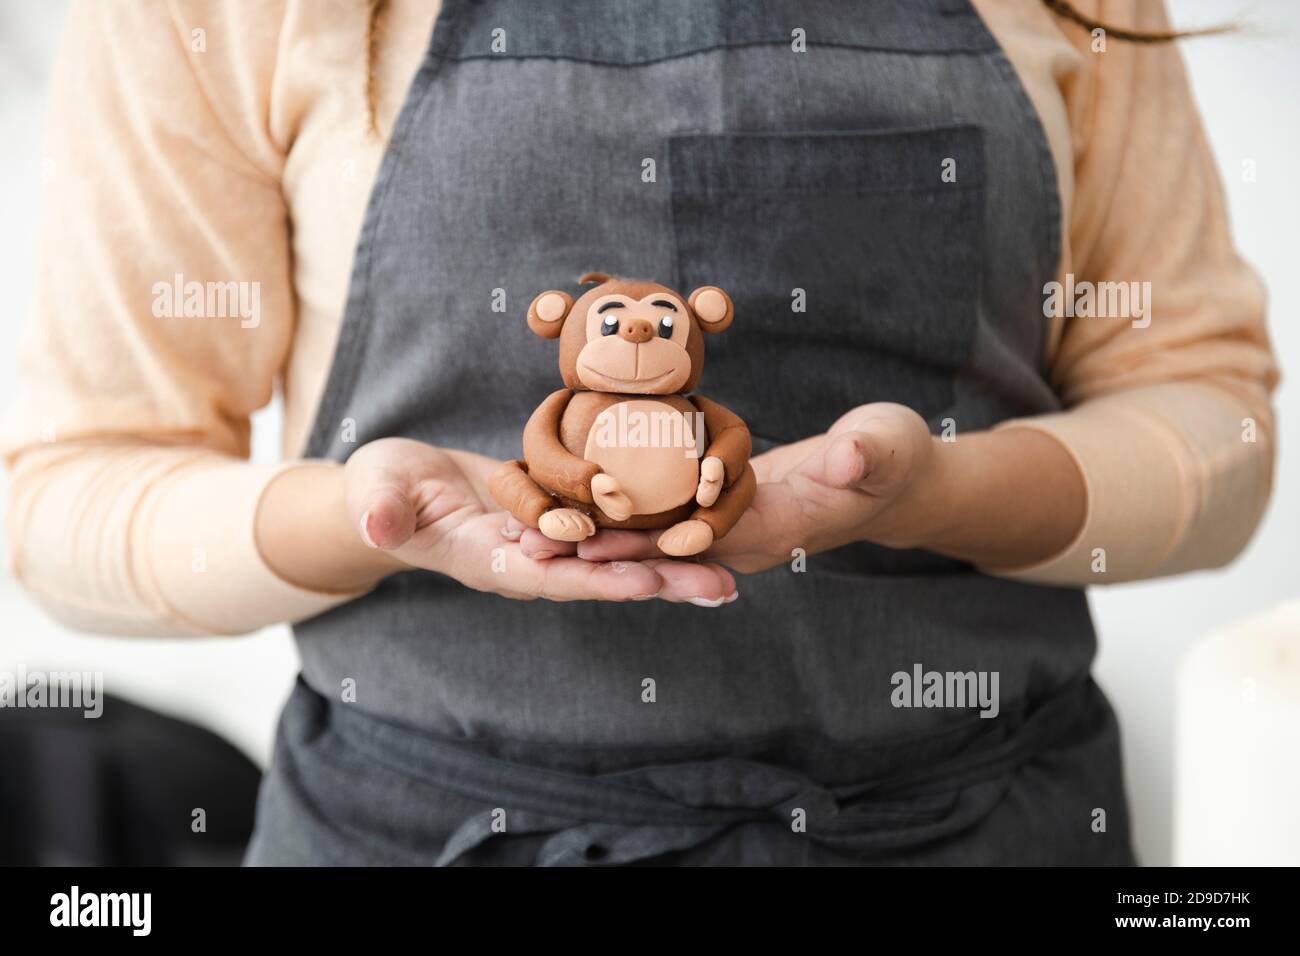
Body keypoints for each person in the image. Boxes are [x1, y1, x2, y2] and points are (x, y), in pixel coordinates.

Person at [4, 0, 1277, 865]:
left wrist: (933, 488)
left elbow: (1212, 425)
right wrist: (362, 516)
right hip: (416, 830)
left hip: (987, 822)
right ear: (566, 328)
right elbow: (69, 498)